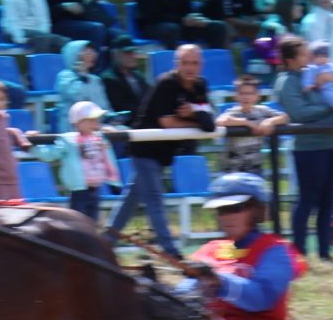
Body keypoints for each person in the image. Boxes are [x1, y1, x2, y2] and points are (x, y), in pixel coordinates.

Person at [29, 173, 304, 320]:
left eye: (234, 208)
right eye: (221, 210)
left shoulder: (276, 250)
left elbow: (263, 298)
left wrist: (218, 281)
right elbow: (186, 294)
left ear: (257, 210)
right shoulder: (211, 250)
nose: (225, 216)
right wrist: (154, 291)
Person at [107, 43, 216, 257]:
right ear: (177, 64)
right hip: (145, 147)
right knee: (154, 198)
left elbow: (207, 119)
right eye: (185, 63)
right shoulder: (166, 84)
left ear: (201, 65)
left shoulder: (200, 85)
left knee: (131, 197)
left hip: (164, 152)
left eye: (194, 63)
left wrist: (193, 113)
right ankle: (170, 250)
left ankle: (106, 240)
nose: (189, 68)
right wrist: (195, 120)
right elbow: (168, 122)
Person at [274, 35, 333, 261]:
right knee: (307, 199)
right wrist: (332, 107)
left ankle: (324, 252)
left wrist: (332, 78)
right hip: (309, 149)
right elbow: (300, 113)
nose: (309, 57)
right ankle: (299, 252)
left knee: (328, 199)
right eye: (304, 53)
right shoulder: (286, 82)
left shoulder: (316, 70)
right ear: (290, 59)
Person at [31, 100, 119, 222]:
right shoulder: (69, 140)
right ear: (78, 122)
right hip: (79, 191)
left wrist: (112, 130)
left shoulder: (100, 138)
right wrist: (32, 145)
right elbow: (49, 155)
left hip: (96, 189)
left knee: (93, 223)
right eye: (91, 120)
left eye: (97, 120)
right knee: (78, 223)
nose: (95, 123)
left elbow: (108, 141)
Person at [216, 76, 286, 174]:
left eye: (250, 93)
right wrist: (246, 123)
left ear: (257, 96)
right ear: (236, 96)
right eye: (242, 93)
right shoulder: (233, 112)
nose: (246, 97)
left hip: (255, 168)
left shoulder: (262, 110)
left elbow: (285, 117)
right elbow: (220, 121)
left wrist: (269, 122)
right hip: (233, 170)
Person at [52, 40, 108, 128]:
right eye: (86, 51)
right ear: (74, 54)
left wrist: (111, 117)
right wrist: (81, 74)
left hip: (96, 125)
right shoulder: (64, 76)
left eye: (92, 51)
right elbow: (77, 96)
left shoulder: (95, 80)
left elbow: (103, 105)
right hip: (73, 128)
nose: (92, 54)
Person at [99, 34, 150, 125]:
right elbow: (120, 107)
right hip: (127, 125)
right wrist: (147, 111)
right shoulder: (109, 79)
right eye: (127, 53)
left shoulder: (138, 76)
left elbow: (149, 96)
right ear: (115, 54)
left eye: (134, 52)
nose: (133, 56)